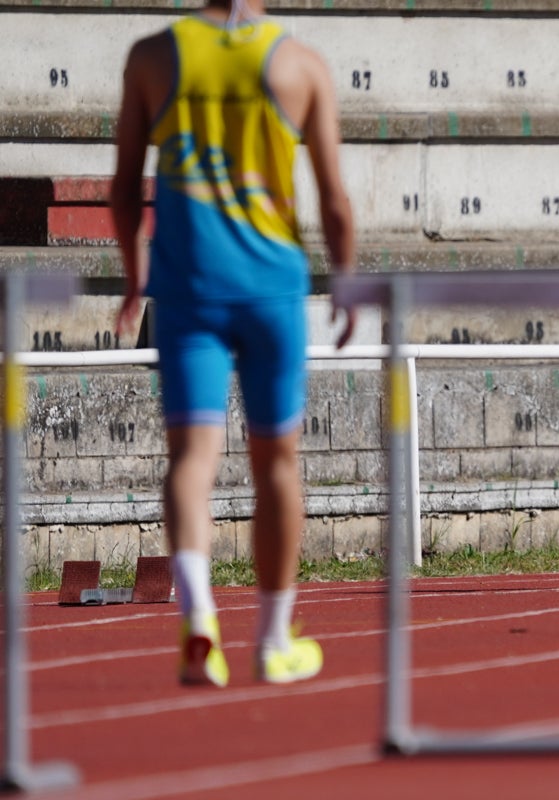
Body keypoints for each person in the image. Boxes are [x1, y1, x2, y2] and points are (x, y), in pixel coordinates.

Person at [111, 0, 356, 686]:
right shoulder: (302, 64)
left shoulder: (153, 56)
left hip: (189, 282)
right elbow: (334, 199)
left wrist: (134, 281)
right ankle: (274, 640)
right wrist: (346, 282)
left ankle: (199, 621)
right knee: (277, 463)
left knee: (191, 458)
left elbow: (126, 187)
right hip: (269, 287)